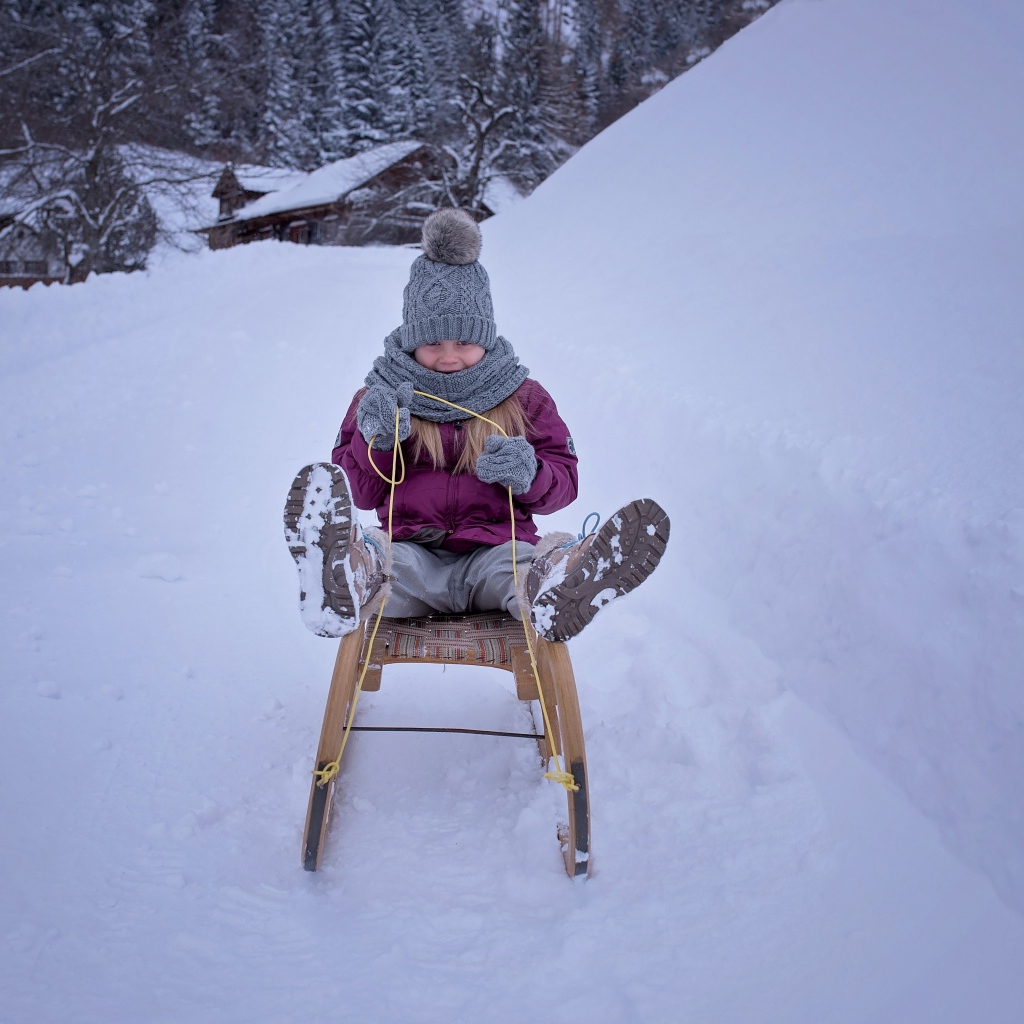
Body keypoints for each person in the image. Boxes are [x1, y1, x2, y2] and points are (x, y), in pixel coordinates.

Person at [284, 208, 669, 642]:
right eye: (432, 343)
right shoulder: (381, 397)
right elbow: (365, 492)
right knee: (382, 565)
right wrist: (378, 441)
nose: (448, 357)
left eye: (464, 342)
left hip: (495, 554)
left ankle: (562, 584)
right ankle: (343, 576)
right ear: (412, 342)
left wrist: (531, 474)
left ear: (484, 337)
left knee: (523, 573)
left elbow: (565, 482)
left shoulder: (523, 397)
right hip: (413, 556)